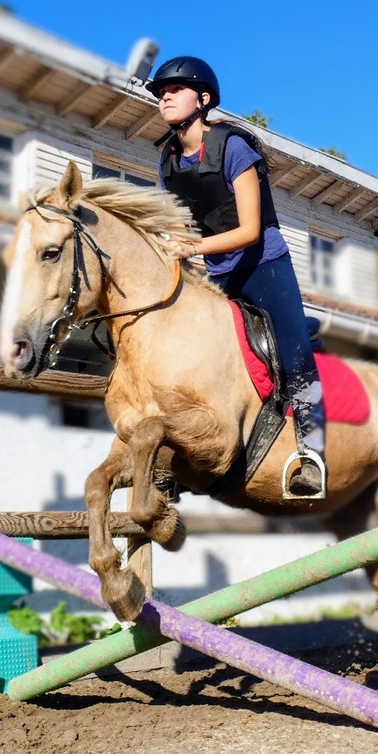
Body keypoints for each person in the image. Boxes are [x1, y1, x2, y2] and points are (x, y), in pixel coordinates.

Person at [145, 56, 326, 499]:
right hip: (218, 271)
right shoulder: (167, 161)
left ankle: (314, 455)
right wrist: (174, 251)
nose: (165, 96)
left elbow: (248, 231)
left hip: (263, 264)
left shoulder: (232, 147)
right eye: (161, 92)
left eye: (176, 89)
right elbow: (180, 228)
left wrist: (192, 249)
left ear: (203, 99)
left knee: (294, 355)